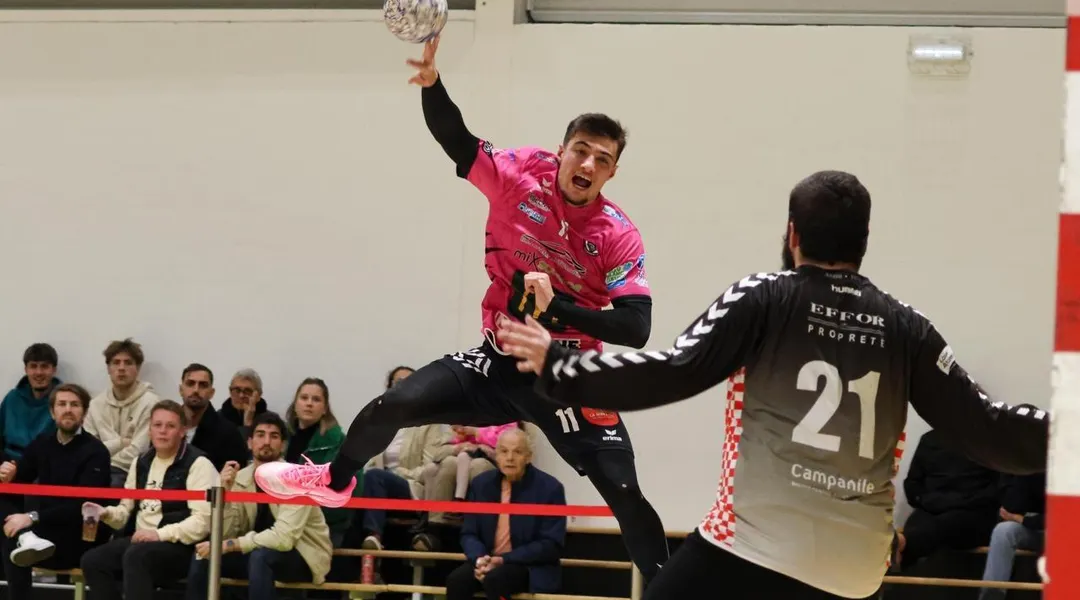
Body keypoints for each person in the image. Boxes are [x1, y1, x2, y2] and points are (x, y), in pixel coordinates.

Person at [496, 170, 1049, 600]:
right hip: (855, 568)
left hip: (753, 545)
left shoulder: (766, 297)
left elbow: (670, 370)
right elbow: (989, 430)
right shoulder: (908, 327)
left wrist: (560, 365)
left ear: (792, 233)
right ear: (865, 240)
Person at [255, 34, 670, 582]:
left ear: (612, 172)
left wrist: (563, 307)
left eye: (603, 159)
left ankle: (671, 587)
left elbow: (636, 328)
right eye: (581, 150)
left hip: (566, 374)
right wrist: (432, 86)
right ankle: (335, 481)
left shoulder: (617, 234)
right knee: (395, 403)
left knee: (622, 488)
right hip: (496, 360)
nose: (588, 164)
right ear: (563, 149)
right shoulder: (521, 174)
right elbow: (459, 140)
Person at [186, 411, 333, 600]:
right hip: (256, 551)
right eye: (260, 435)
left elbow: (284, 539)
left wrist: (231, 545)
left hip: (302, 554)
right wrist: (225, 493)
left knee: (260, 557)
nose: (266, 441)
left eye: (274, 436)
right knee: (204, 555)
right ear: (249, 442)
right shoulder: (240, 478)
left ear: (283, 445)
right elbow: (226, 534)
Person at [0, 383, 112, 599]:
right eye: (62, 404)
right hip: (40, 534)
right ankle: (25, 537)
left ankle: (25, 537)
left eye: (74, 404)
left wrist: (31, 518)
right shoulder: (43, 442)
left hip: (78, 540)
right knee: (9, 525)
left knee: (14, 536)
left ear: (85, 412)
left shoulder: (96, 451)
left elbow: (83, 505)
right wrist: (8, 472)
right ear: (52, 412)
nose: (68, 409)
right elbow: (19, 476)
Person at [447, 428, 566, 600]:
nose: (509, 458)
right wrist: (481, 559)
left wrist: (503, 560)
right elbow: (469, 533)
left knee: (496, 580)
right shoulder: (481, 484)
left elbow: (551, 545)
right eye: (503, 451)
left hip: (529, 566)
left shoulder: (550, 489)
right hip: (488, 561)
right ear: (496, 454)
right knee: (456, 581)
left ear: (528, 457)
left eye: (517, 452)